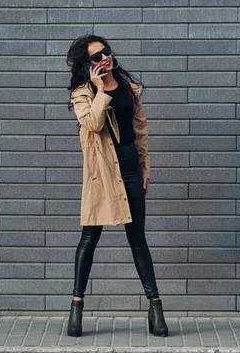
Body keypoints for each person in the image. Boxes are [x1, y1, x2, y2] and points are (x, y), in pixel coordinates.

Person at [65, 35, 168, 338]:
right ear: (87, 65)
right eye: (97, 57)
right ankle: (76, 305)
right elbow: (94, 124)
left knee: (138, 239)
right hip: (102, 173)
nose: (104, 59)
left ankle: (156, 307)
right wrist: (99, 89)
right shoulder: (82, 94)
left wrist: (146, 168)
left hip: (131, 169)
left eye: (106, 53)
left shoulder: (128, 89)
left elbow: (140, 132)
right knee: (89, 238)